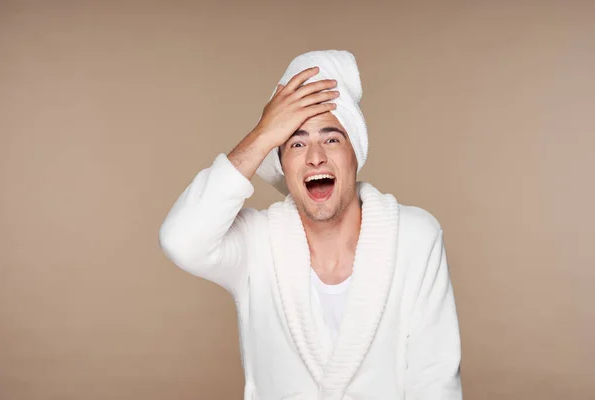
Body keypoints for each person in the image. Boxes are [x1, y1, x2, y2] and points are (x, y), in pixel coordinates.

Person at [159, 50, 462, 400]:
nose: (315, 157)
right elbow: (180, 240)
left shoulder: (415, 238)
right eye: (297, 143)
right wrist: (261, 134)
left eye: (331, 139)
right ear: (282, 163)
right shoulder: (257, 245)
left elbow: (435, 381)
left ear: (355, 154)